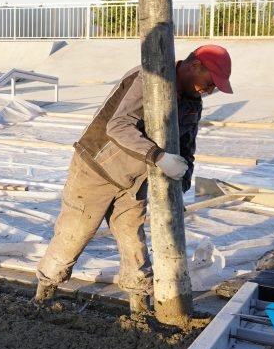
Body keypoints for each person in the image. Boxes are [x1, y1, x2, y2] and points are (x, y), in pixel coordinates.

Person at [34, 45, 233, 313]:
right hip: (96, 169)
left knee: (133, 241)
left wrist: (180, 189)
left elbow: (187, 148)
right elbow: (118, 126)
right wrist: (159, 156)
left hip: (134, 179)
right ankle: (44, 294)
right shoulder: (149, 79)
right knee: (75, 233)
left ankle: (140, 304)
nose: (208, 92)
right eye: (209, 84)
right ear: (195, 66)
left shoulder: (191, 102)